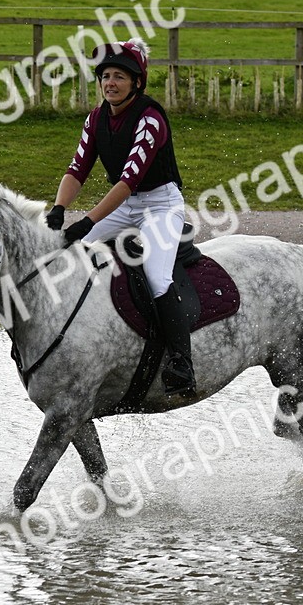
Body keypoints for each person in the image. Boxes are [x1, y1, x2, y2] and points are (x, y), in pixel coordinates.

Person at [46, 38, 195, 397]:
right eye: (105, 76)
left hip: (161, 204)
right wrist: (59, 208)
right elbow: (77, 168)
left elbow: (128, 181)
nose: (109, 83)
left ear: (137, 83)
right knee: (70, 251)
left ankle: (182, 364)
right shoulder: (96, 118)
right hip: (126, 206)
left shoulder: (150, 118)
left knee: (156, 277)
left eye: (119, 77)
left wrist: (88, 220)